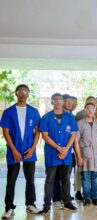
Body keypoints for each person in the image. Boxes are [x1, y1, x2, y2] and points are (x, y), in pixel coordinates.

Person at [0, 85, 41, 218]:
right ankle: (9, 208)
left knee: (30, 179)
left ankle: (30, 204)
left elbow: (37, 132)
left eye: (26, 92)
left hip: (29, 150)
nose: (23, 94)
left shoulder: (34, 112)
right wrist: (13, 150)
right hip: (14, 150)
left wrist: (33, 149)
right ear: (16, 94)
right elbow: (5, 132)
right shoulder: (8, 112)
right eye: (20, 92)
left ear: (28, 94)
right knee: (11, 180)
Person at [38, 93, 78, 214]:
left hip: (66, 154)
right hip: (52, 153)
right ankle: (46, 205)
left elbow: (73, 134)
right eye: (55, 100)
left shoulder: (70, 117)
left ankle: (67, 202)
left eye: (60, 99)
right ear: (52, 102)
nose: (58, 102)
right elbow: (44, 136)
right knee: (50, 180)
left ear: (63, 102)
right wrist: (58, 148)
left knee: (66, 179)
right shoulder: (46, 117)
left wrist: (65, 149)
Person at [73, 103, 97, 206]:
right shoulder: (80, 124)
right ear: (84, 110)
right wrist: (79, 157)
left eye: (92, 109)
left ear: (95, 110)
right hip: (85, 154)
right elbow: (76, 141)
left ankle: (95, 197)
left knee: (96, 178)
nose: (90, 111)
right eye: (88, 109)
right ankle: (86, 198)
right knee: (86, 178)